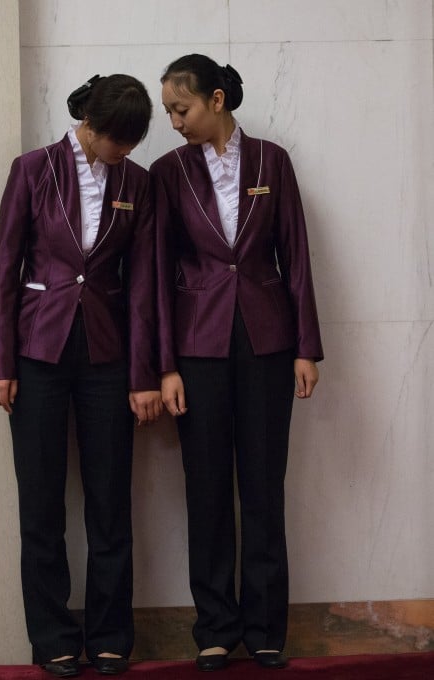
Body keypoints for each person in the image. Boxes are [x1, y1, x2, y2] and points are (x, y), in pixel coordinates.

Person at [150, 54, 323, 671]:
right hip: (197, 350)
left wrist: (307, 346)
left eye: (181, 108)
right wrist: (164, 365)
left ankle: (267, 625)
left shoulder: (272, 161)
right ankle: (216, 626)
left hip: (269, 344)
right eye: (169, 110)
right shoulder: (166, 173)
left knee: (263, 486)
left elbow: (296, 256)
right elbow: (156, 276)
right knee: (206, 490)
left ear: (217, 101)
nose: (172, 122)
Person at [0, 73, 161, 678]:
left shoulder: (136, 184)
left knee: (111, 503)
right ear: (93, 126)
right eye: (123, 141)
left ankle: (111, 635)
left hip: (109, 361)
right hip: (36, 355)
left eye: (137, 142)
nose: (129, 153)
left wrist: (143, 375)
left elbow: (141, 285)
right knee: (41, 505)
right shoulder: (32, 170)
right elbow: (4, 268)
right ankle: (53, 637)